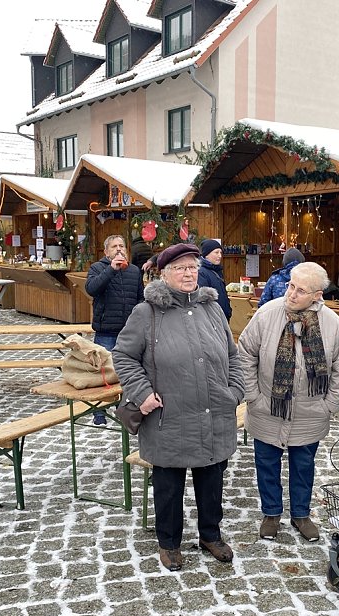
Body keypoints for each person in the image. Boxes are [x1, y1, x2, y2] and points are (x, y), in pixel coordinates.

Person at [112, 243, 244, 572]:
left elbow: (232, 355)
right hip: (169, 416)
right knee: (169, 485)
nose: (189, 273)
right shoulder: (147, 313)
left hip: (213, 413)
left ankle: (210, 535)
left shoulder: (211, 308)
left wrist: (236, 391)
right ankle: (168, 542)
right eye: (181, 268)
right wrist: (141, 392)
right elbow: (123, 356)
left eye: (192, 267)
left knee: (212, 480)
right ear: (165, 273)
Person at [238, 262, 339, 542]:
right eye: (291, 285)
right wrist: (254, 396)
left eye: (301, 290)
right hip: (267, 408)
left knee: (303, 466)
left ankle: (301, 514)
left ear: (317, 295)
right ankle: (271, 514)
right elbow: (245, 355)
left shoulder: (332, 324)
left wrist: (328, 406)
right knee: (266, 464)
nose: (292, 293)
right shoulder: (267, 314)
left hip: (310, 412)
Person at [84, 234, 144, 425]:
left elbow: (140, 297)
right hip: (106, 331)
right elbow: (91, 288)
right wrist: (111, 269)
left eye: (122, 246)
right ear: (106, 252)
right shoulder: (97, 268)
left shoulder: (134, 271)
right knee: (104, 373)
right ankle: (99, 413)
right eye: (114, 247)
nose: (119, 249)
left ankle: (124, 412)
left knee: (129, 372)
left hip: (128, 332)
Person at [198, 239, 232, 321]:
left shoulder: (217, 271)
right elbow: (203, 300)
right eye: (216, 252)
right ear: (207, 255)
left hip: (222, 318)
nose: (220, 255)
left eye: (220, 252)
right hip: (213, 320)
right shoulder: (201, 273)